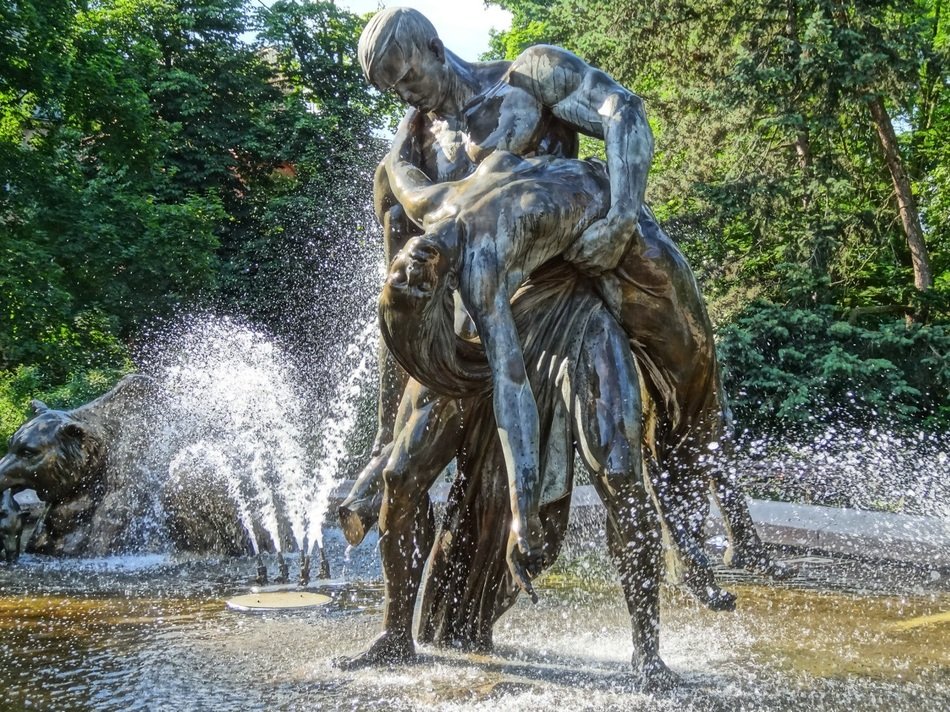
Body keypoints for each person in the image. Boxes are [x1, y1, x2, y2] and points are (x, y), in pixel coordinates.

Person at [356, 6, 791, 605]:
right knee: (403, 475)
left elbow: (624, 112)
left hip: (582, 290)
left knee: (670, 413)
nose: (406, 95)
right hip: (485, 327)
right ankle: (403, 635)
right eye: (391, 89)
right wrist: (385, 433)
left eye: (407, 76)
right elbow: (402, 311)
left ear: (433, 47)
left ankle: (694, 553)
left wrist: (620, 216)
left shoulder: (528, 77)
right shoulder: (404, 166)